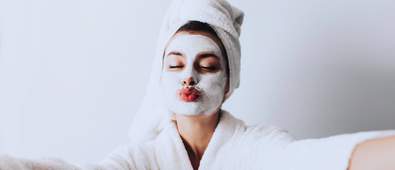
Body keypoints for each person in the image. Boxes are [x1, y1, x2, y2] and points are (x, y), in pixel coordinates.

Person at [1, 0, 395, 169]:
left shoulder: (256, 149)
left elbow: (317, 160)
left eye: (206, 64)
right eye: (175, 65)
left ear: (229, 83)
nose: (189, 76)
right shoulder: (144, 159)